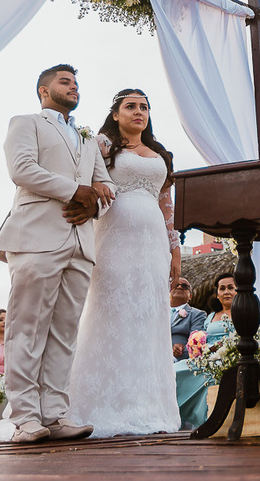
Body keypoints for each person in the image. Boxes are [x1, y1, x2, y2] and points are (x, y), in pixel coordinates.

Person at [0, 64, 116, 444]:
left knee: (64, 333)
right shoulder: (25, 123)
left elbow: (105, 186)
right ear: (44, 90)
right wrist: (75, 191)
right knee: (27, 328)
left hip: (80, 243)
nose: (73, 87)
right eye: (65, 82)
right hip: (36, 236)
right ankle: (25, 418)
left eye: (76, 83)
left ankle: (56, 415)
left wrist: (94, 206)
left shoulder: (87, 138)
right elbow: (22, 169)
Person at [68, 89, 183, 437]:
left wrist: (175, 250)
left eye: (144, 107)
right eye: (130, 106)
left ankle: (147, 405)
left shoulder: (161, 154)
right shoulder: (103, 145)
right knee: (111, 310)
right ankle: (96, 403)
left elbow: (166, 204)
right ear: (116, 114)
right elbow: (81, 174)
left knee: (149, 315)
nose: (138, 112)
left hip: (153, 244)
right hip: (114, 237)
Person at [174, 272, 238, 430]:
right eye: (222, 288)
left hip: (227, 357)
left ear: (238, 290)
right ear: (217, 294)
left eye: (231, 288)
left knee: (206, 376)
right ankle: (173, 414)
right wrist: (197, 346)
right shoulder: (210, 316)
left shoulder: (243, 312)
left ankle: (205, 420)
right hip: (205, 357)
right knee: (174, 370)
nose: (226, 292)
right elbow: (201, 337)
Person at [170, 279, 206, 362]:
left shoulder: (197, 314)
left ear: (190, 296)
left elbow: (196, 343)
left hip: (178, 360)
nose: (179, 287)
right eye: (176, 285)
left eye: (184, 286)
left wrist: (180, 351)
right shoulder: (158, 313)